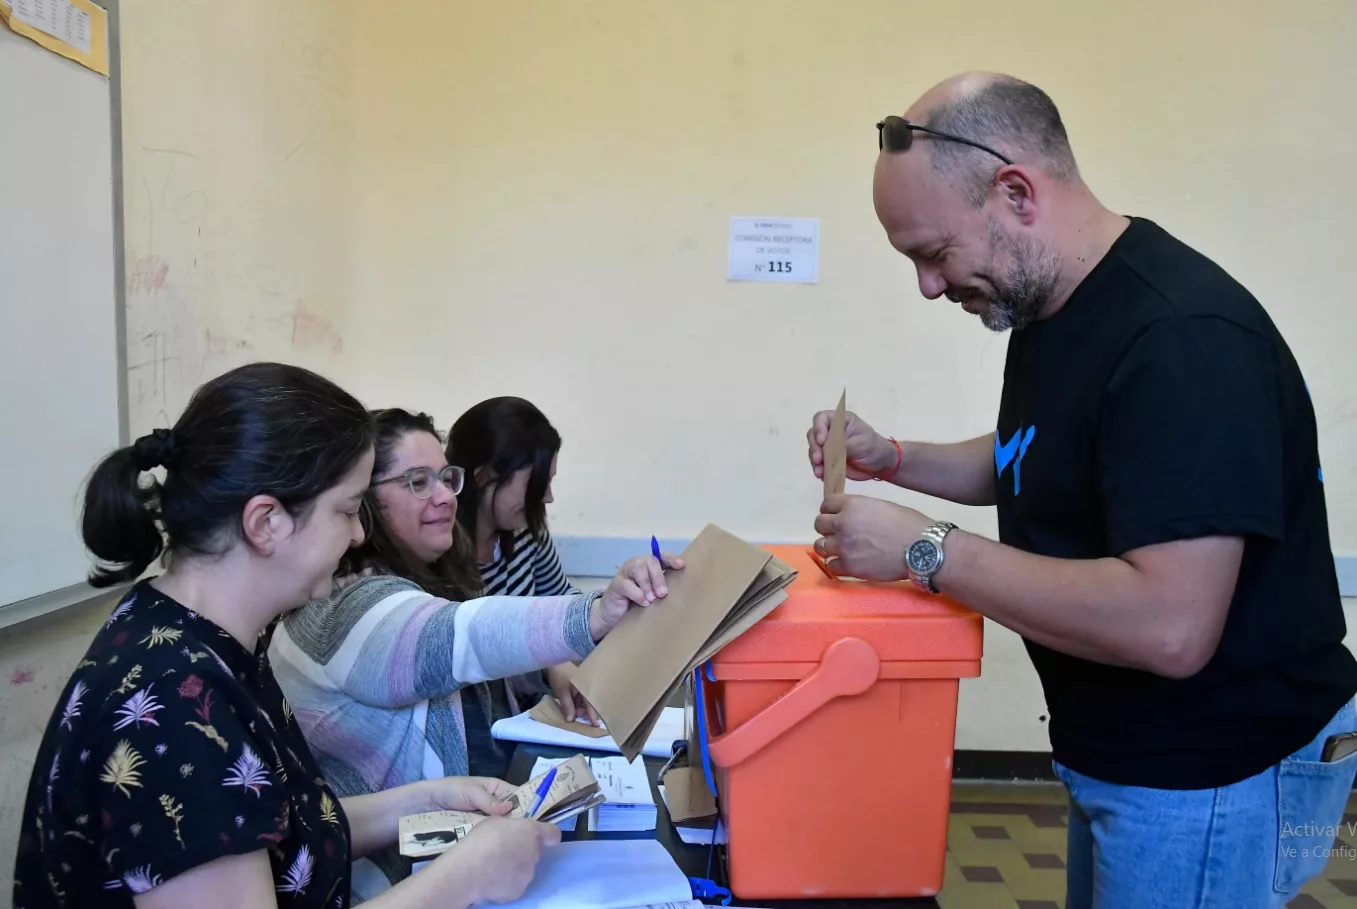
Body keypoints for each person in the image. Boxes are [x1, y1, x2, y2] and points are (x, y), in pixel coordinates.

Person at [806, 72, 1357, 908]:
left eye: (933, 252)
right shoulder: (1054, 308)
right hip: (1128, 752)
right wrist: (894, 456)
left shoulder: (1181, 340)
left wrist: (927, 549)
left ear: (1016, 192)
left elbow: (1169, 626)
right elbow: (1039, 456)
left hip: (1213, 773)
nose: (926, 284)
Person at [13, 363, 560, 909]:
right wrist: (468, 875)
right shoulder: (177, 706)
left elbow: (282, 827)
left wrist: (429, 799)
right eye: (347, 511)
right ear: (265, 523)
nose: (357, 534)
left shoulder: (206, 639)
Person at [267, 407, 680, 902]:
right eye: (417, 482)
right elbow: (460, 637)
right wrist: (594, 613)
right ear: (365, 503)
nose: (444, 496)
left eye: (444, 477)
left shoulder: (429, 571)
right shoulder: (348, 603)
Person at [445, 396, 597, 725]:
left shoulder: (527, 530)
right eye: (538, 483)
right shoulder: (441, 548)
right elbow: (471, 649)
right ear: (484, 475)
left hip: (530, 711)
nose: (548, 497)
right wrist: (549, 658)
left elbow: (558, 601)